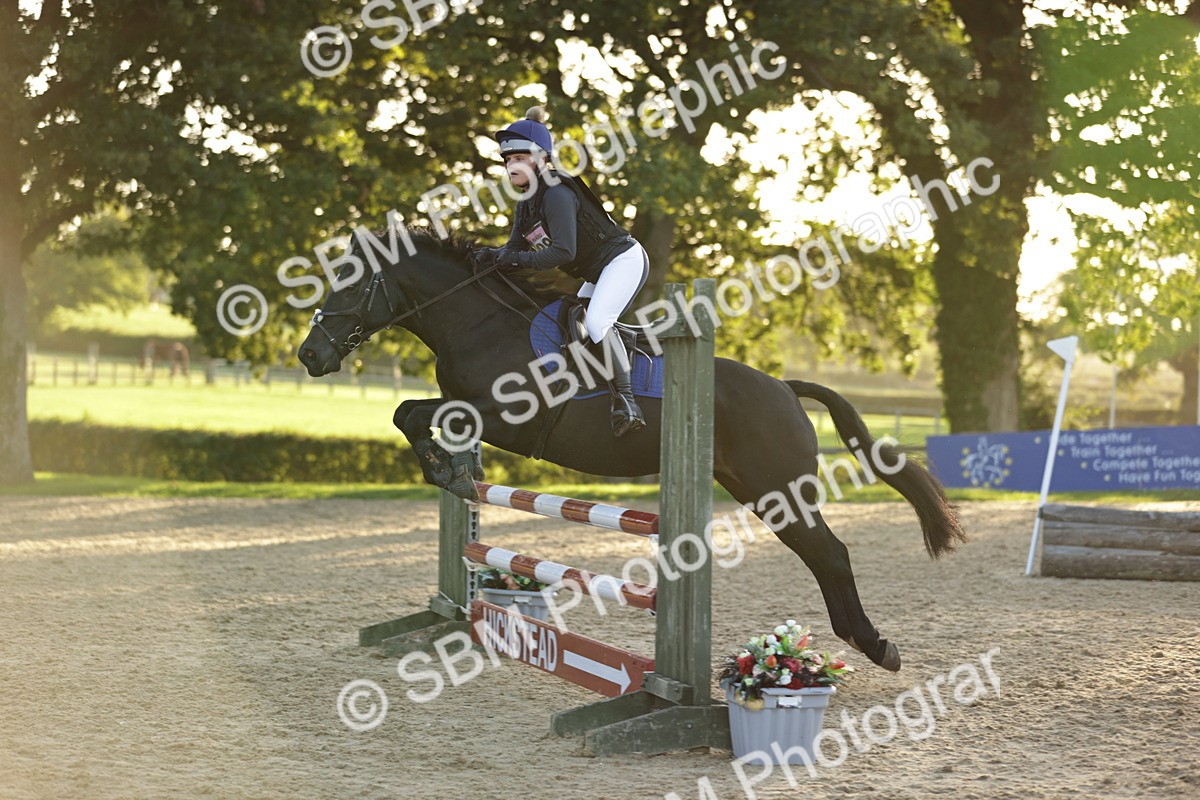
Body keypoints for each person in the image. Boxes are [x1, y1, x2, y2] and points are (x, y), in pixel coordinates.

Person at [474, 106, 650, 437]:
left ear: (540, 159)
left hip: (624, 260)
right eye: (507, 160)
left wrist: (509, 260)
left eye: (519, 158)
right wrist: (487, 257)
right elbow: (515, 249)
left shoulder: (555, 194)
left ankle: (628, 403)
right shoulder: (526, 203)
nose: (510, 165)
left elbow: (562, 253)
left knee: (597, 321)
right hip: (599, 271)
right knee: (569, 320)